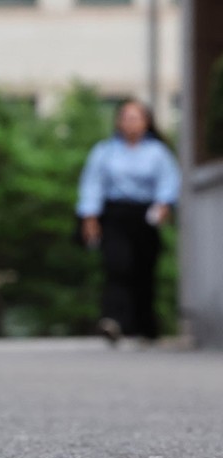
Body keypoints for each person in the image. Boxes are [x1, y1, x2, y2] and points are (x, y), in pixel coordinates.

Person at [76, 99, 180, 344]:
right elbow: (92, 184)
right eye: (126, 117)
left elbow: (169, 182)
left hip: (145, 215)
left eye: (136, 117)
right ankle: (114, 320)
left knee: (144, 270)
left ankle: (145, 326)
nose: (131, 123)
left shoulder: (158, 153)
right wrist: (89, 216)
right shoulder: (105, 151)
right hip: (115, 215)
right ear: (118, 121)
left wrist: (164, 205)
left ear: (147, 122)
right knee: (116, 265)